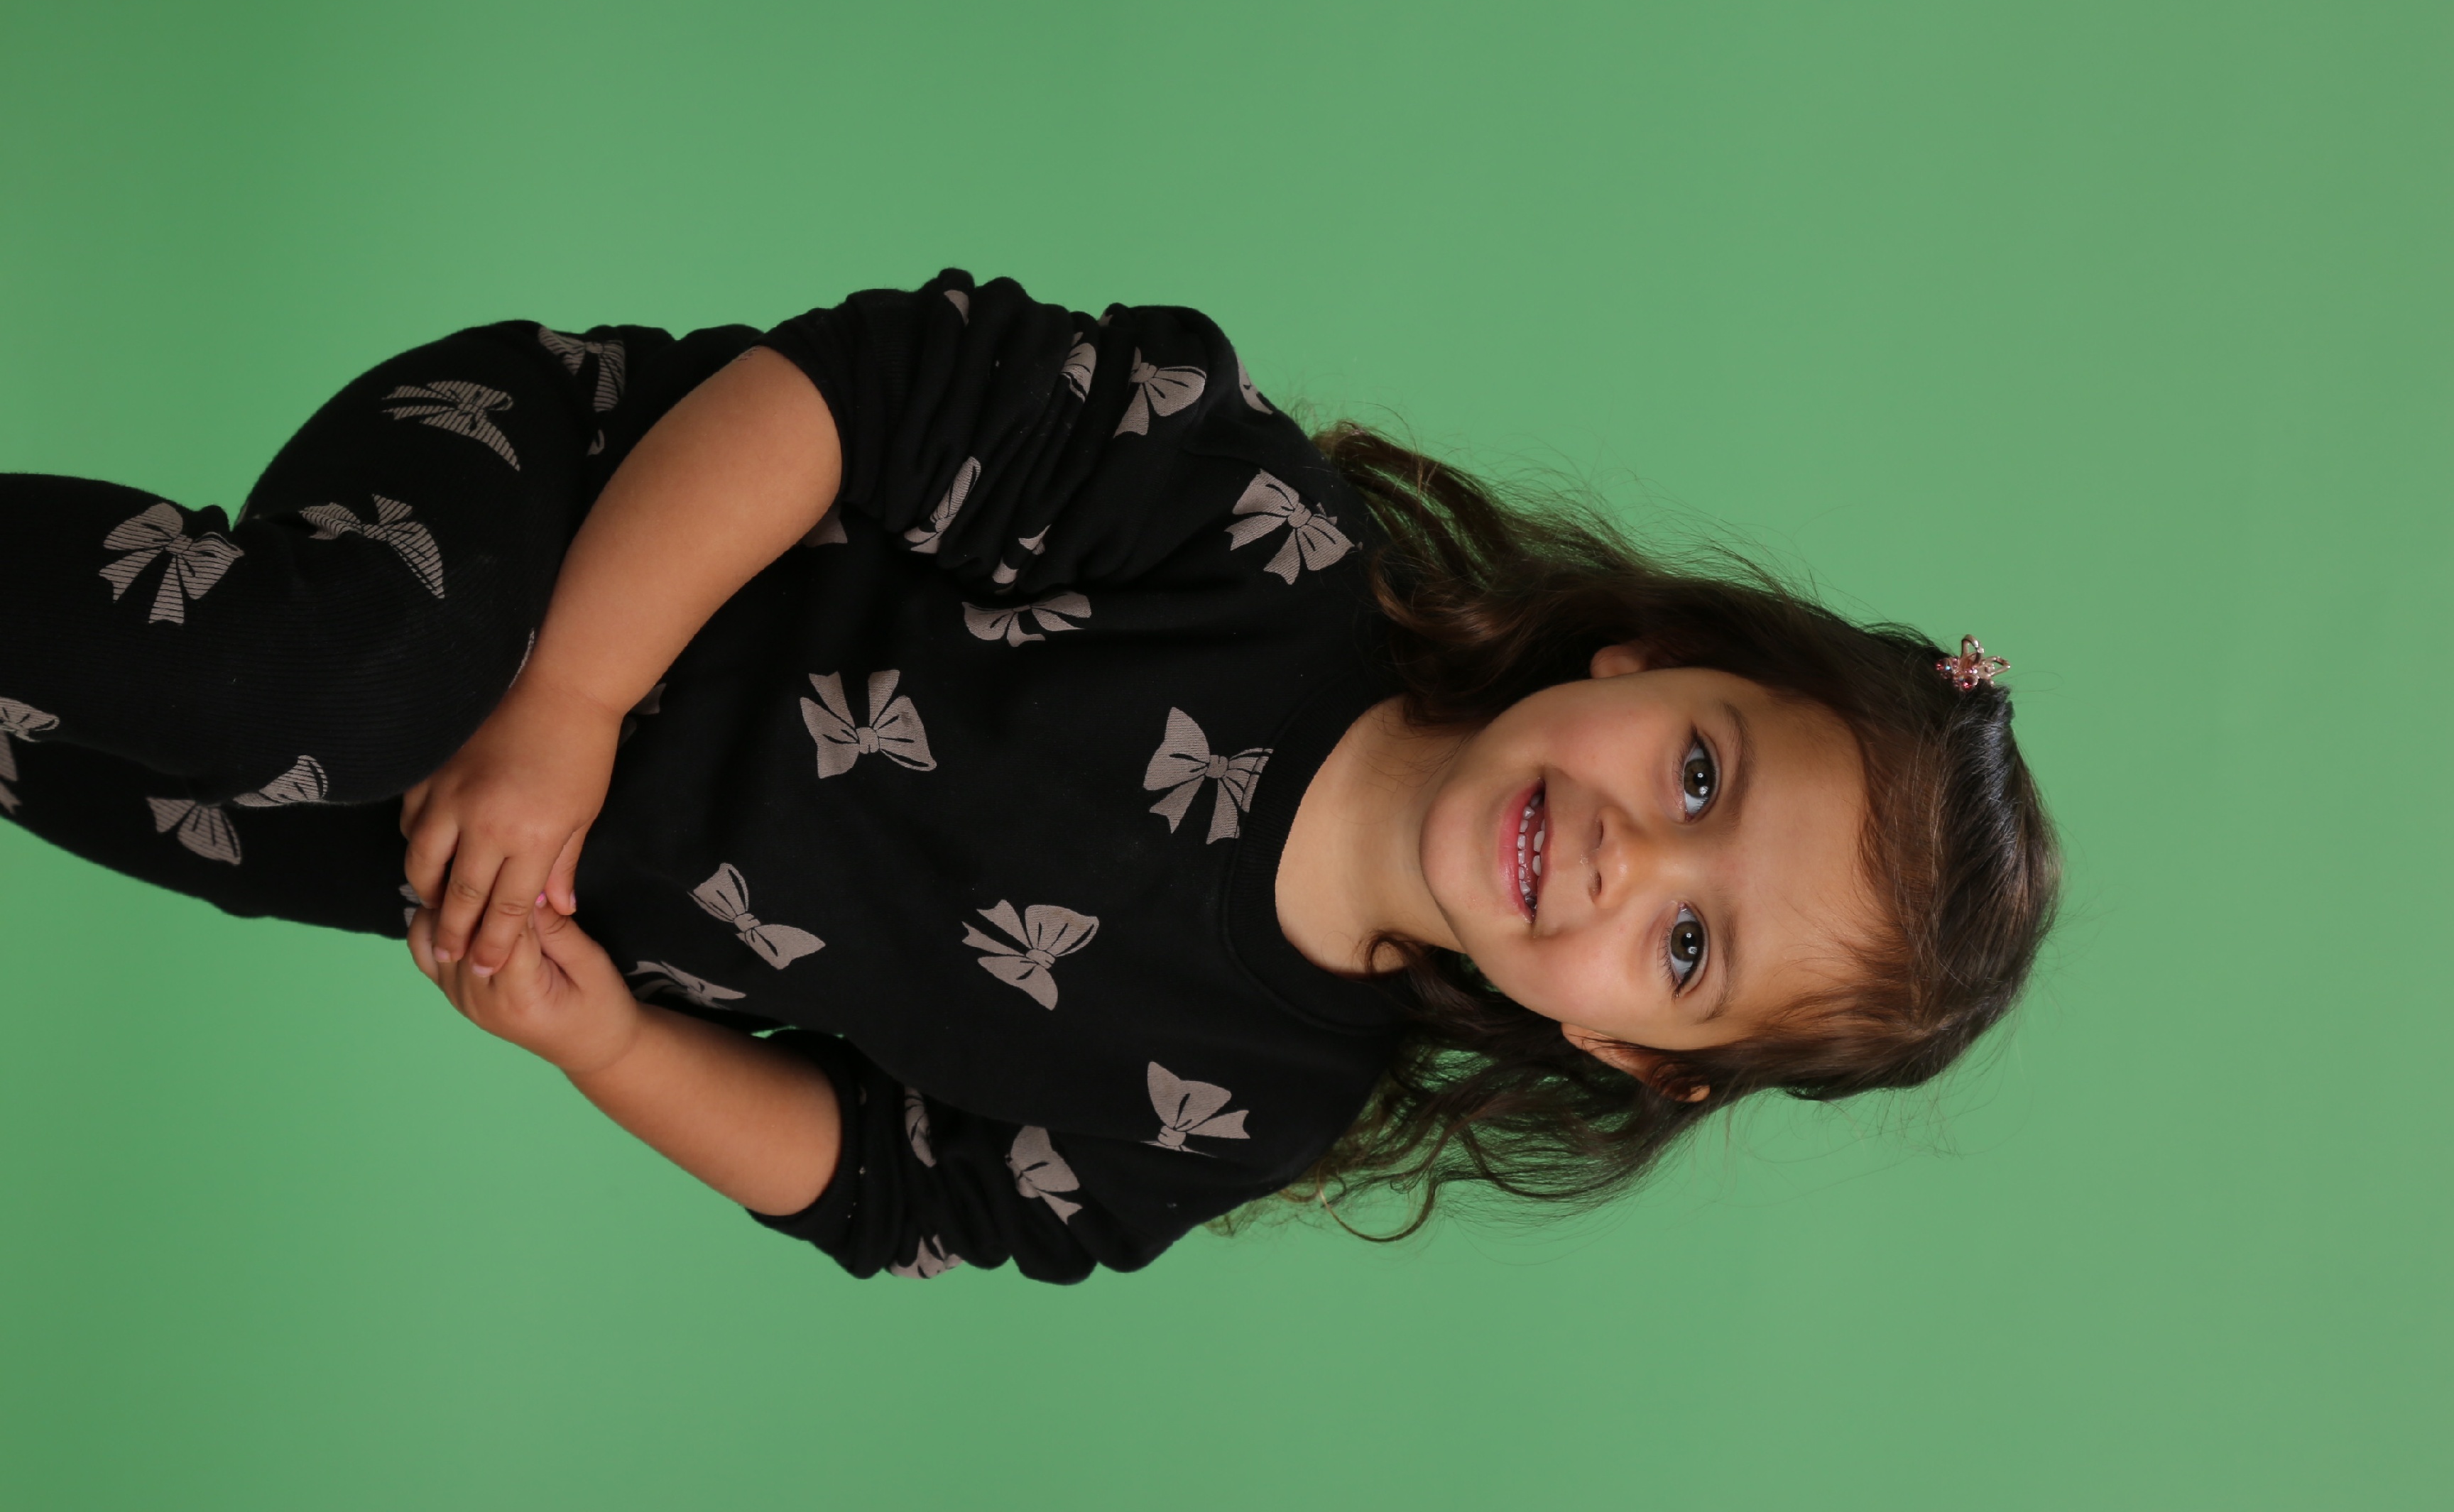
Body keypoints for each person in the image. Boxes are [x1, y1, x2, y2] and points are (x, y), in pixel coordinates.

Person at [0, 270, 2058, 1283]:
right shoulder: (1254, 544)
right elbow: (850, 395)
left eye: (1689, 951)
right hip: (546, 510)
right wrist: (577, 700)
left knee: (89, 763)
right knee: (314, 693)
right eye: (1698, 774)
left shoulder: (1242, 1106)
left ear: (1627, 1055)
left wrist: (599, 1038)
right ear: (1650, 659)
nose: (1625, 861)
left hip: (484, 861)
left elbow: (884, 1183)